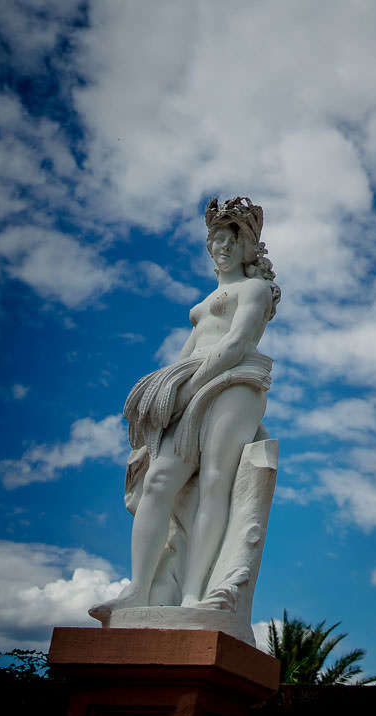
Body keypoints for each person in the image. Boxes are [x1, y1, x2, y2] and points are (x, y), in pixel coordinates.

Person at [90, 196, 281, 621]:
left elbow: (237, 343)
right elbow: (184, 357)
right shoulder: (203, 304)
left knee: (216, 482)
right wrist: (163, 395)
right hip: (193, 386)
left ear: (247, 247)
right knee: (158, 482)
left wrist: (190, 387)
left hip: (235, 384)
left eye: (231, 239)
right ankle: (139, 589)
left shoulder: (255, 289)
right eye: (216, 240)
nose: (222, 247)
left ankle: (196, 593)